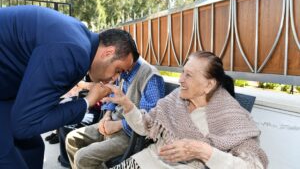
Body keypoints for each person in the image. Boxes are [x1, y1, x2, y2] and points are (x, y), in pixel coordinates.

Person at [0, 5, 139, 169]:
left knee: (33, 149)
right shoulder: (74, 51)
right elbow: (23, 125)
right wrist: (88, 101)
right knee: (9, 158)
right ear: (108, 52)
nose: (115, 78)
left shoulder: (80, 39)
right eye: (118, 70)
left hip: (6, 89)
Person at [103, 51, 268, 169]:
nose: (180, 79)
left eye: (188, 75)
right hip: (152, 158)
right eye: (182, 72)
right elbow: (145, 127)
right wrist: (127, 105)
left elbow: (252, 166)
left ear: (209, 85)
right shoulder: (176, 98)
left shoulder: (232, 116)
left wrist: (203, 151)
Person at [65, 56, 165, 169]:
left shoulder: (150, 76)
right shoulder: (123, 69)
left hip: (130, 134)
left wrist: (118, 125)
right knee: (71, 139)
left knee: (82, 157)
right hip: (111, 123)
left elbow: (148, 121)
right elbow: (113, 95)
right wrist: (106, 116)